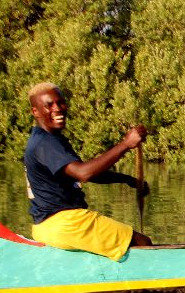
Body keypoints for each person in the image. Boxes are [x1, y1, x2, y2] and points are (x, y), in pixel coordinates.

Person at [23, 81, 151, 261]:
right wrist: (125, 144)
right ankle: (151, 289)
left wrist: (127, 179)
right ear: (35, 112)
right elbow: (83, 173)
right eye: (49, 105)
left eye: (60, 102)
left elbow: (84, 173)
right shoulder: (45, 143)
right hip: (66, 223)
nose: (58, 108)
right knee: (143, 243)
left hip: (47, 226)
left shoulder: (48, 139)